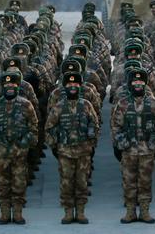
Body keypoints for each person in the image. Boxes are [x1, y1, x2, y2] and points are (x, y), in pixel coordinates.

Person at [111, 68, 155, 224]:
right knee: (129, 182)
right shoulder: (122, 104)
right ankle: (130, 212)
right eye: (135, 81)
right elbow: (116, 126)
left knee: (145, 182)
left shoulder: (153, 103)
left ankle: (144, 212)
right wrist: (120, 145)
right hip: (128, 151)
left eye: (141, 81)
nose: (137, 83)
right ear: (130, 84)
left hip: (147, 151)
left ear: (145, 83)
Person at [0, 71, 39, 225]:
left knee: (19, 183)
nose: (10, 87)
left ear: (17, 86)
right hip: (1, 152)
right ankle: (4, 213)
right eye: (7, 84)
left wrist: (26, 142)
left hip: (19, 152)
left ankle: (17, 213)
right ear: (3, 87)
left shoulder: (26, 104)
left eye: (13, 84)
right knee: (2, 184)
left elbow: (34, 126)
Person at [46, 71, 98, 225]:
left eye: (75, 84)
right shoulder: (59, 107)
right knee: (66, 183)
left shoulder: (86, 105)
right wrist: (56, 146)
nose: (73, 86)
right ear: (65, 86)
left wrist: (90, 143)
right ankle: (68, 212)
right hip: (65, 152)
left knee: (82, 183)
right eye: (69, 84)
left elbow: (95, 125)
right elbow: (49, 128)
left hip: (83, 152)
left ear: (80, 86)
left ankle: (81, 212)